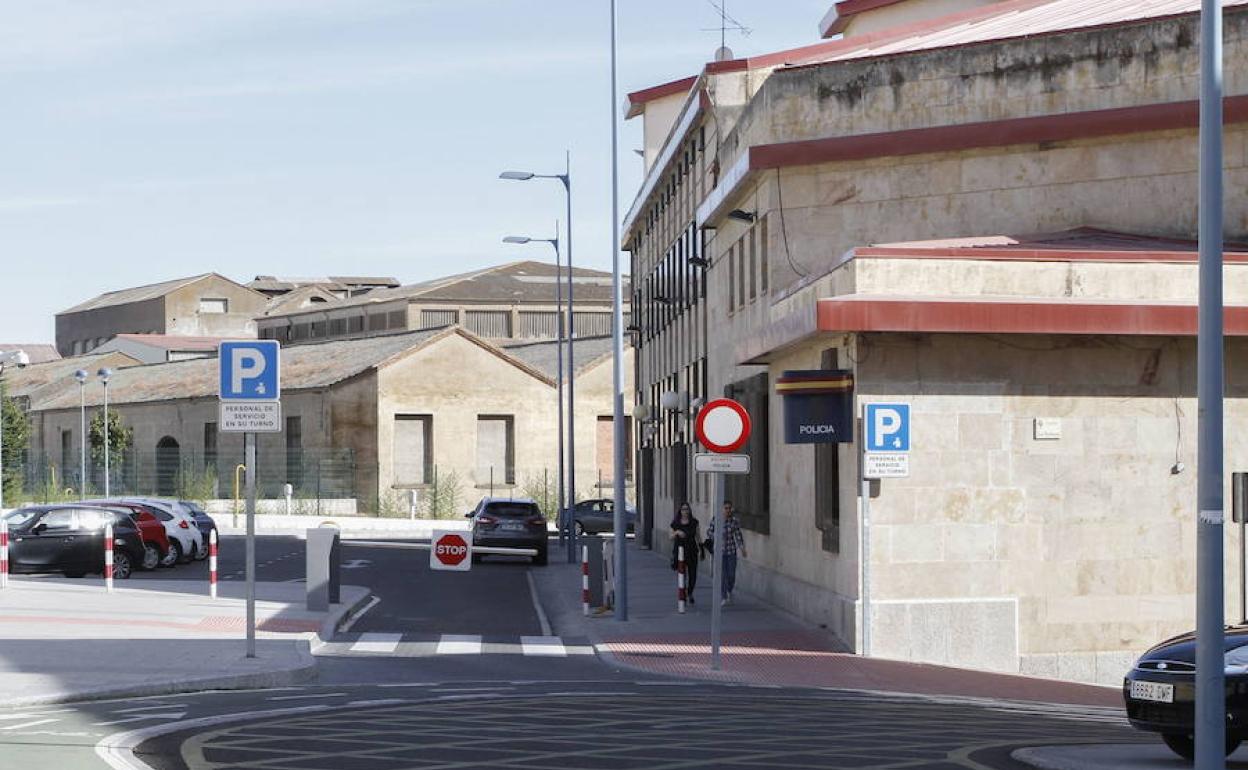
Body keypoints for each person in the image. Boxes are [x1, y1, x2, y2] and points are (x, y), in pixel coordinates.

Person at [705, 500, 747, 606]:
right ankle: (723, 596)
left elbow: (738, 534)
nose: (728, 510)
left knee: (731, 574)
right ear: (722, 509)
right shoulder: (716, 520)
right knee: (722, 575)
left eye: (729, 508)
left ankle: (729, 589)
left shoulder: (734, 521)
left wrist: (742, 548)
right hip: (720, 552)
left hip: (731, 551)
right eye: (726, 508)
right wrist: (716, 536)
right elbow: (709, 531)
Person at [669, 502, 701, 604]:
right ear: (680, 511)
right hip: (680, 552)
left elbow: (698, 536)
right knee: (682, 574)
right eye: (683, 509)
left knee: (693, 575)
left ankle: (690, 592)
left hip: (692, 550)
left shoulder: (694, 522)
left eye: (687, 509)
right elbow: (670, 536)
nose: (685, 511)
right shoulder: (675, 523)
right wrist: (677, 532)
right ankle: (682, 595)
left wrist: (701, 549)